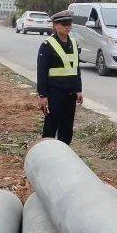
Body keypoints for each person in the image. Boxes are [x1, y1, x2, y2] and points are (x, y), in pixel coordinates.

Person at [37, 11, 84, 144]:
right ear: (55, 25)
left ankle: (64, 152)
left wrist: (79, 90)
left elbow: (76, 68)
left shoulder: (74, 43)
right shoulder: (47, 45)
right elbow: (41, 71)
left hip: (70, 93)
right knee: (51, 125)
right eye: (64, 24)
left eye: (69, 24)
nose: (67, 27)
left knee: (67, 127)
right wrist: (42, 95)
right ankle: (46, 152)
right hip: (54, 93)